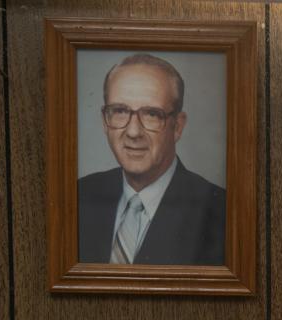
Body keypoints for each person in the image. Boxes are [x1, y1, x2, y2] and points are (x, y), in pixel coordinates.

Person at [78, 53, 225, 265]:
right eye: (119, 111)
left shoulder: (220, 213)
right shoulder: (77, 197)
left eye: (152, 114)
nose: (134, 132)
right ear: (104, 120)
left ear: (178, 126)